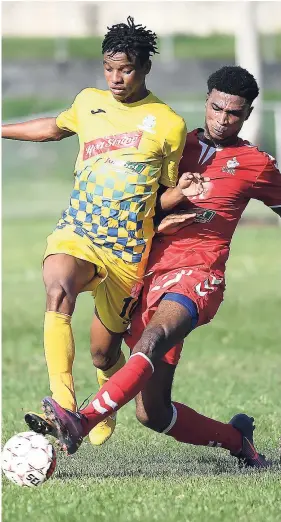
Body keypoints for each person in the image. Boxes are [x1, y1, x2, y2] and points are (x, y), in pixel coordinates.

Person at [41, 65, 280, 468]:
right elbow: (135, 201)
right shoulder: (172, 144)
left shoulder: (256, 164)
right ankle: (237, 441)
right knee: (150, 411)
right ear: (206, 101)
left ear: (248, 114)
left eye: (234, 113)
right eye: (217, 108)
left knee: (151, 341)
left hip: (198, 275)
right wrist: (163, 215)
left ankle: (81, 421)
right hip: (142, 272)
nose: (223, 119)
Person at [2, 17, 205, 441]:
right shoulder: (88, 101)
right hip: (78, 232)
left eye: (126, 69)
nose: (116, 78)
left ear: (145, 68)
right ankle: (64, 403)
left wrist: (181, 196)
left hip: (128, 250)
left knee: (102, 351)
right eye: (110, 68)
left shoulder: (167, 123)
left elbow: (161, 196)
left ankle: (101, 408)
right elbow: (53, 130)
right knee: (57, 288)